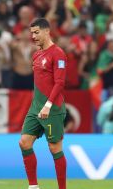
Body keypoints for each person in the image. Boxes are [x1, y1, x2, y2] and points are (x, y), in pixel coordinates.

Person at [19, 18, 67, 189]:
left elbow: (59, 83)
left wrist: (47, 105)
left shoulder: (58, 54)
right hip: (35, 108)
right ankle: (33, 187)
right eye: (31, 33)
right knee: (24, 142)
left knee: (54, 148)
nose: (33, 36)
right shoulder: (37, 54)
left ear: (47, 31)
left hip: (52, 109)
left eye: (37, 32)